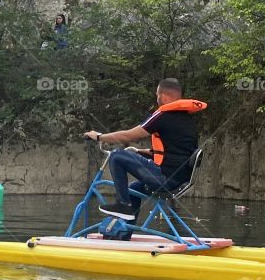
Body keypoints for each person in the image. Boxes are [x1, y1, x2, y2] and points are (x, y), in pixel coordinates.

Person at [83, 78, 206, 222]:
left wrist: (99, 137)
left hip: (164, 178)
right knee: (134, 189)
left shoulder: (163, 116)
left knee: (116, 156)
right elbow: (177, 152)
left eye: (157, 95)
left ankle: (123, 204)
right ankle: (125, 233)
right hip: (178, 179)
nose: (157, 99)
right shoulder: (188, 119)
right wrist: (144, 152)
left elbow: (127, 136)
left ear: (164, 96)